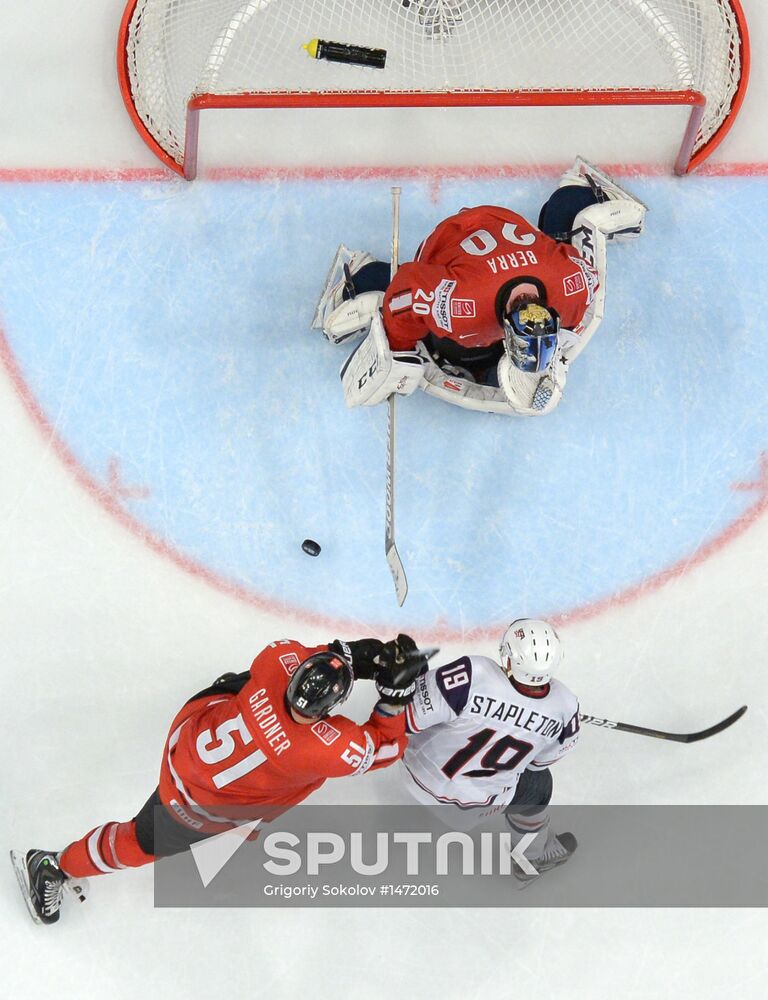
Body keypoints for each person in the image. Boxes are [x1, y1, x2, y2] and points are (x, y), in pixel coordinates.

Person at [11, 634, 426, 924]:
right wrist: (394, 699)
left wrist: (356, 653)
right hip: (192, 804)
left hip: (189, 737)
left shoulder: (275, 660)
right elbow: (384, 749)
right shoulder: (327, 747)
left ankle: (238, 829)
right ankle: (54, 865)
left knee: (241, 685)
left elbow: (321, 652)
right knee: (141, 842)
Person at [313, 157, 646, 416]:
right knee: (445, 338)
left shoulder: (574, 289)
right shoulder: (460, 305)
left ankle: (575, 193)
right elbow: (408, 291)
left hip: (509, 228)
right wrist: (397, 348)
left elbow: (579, 263)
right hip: (453, 238)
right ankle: (361, 278)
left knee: (552, 246)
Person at [400, 619, 580, 881]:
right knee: (539, 786)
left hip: (416, 775)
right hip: (477, 807)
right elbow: (538, 763)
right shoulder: (565, 706)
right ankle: (530, 860)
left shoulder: (473, 674)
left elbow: (406, 718)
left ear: (509, 660)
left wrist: (420, 679)